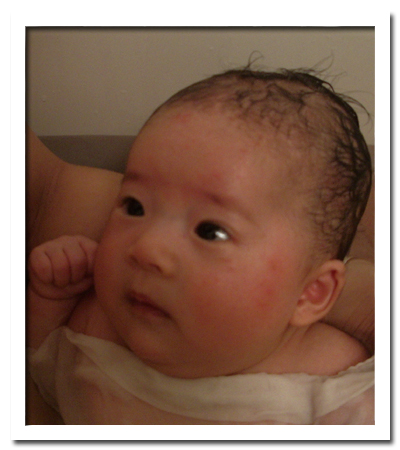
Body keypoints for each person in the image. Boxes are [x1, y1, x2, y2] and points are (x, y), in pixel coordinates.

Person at [27, 68, 375, 425]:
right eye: (134, 206)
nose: (146, 248)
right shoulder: (92, 327)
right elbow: (36, 371)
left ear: (310, 293)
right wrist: (49, 301)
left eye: (210, 231)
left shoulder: (334, 384)